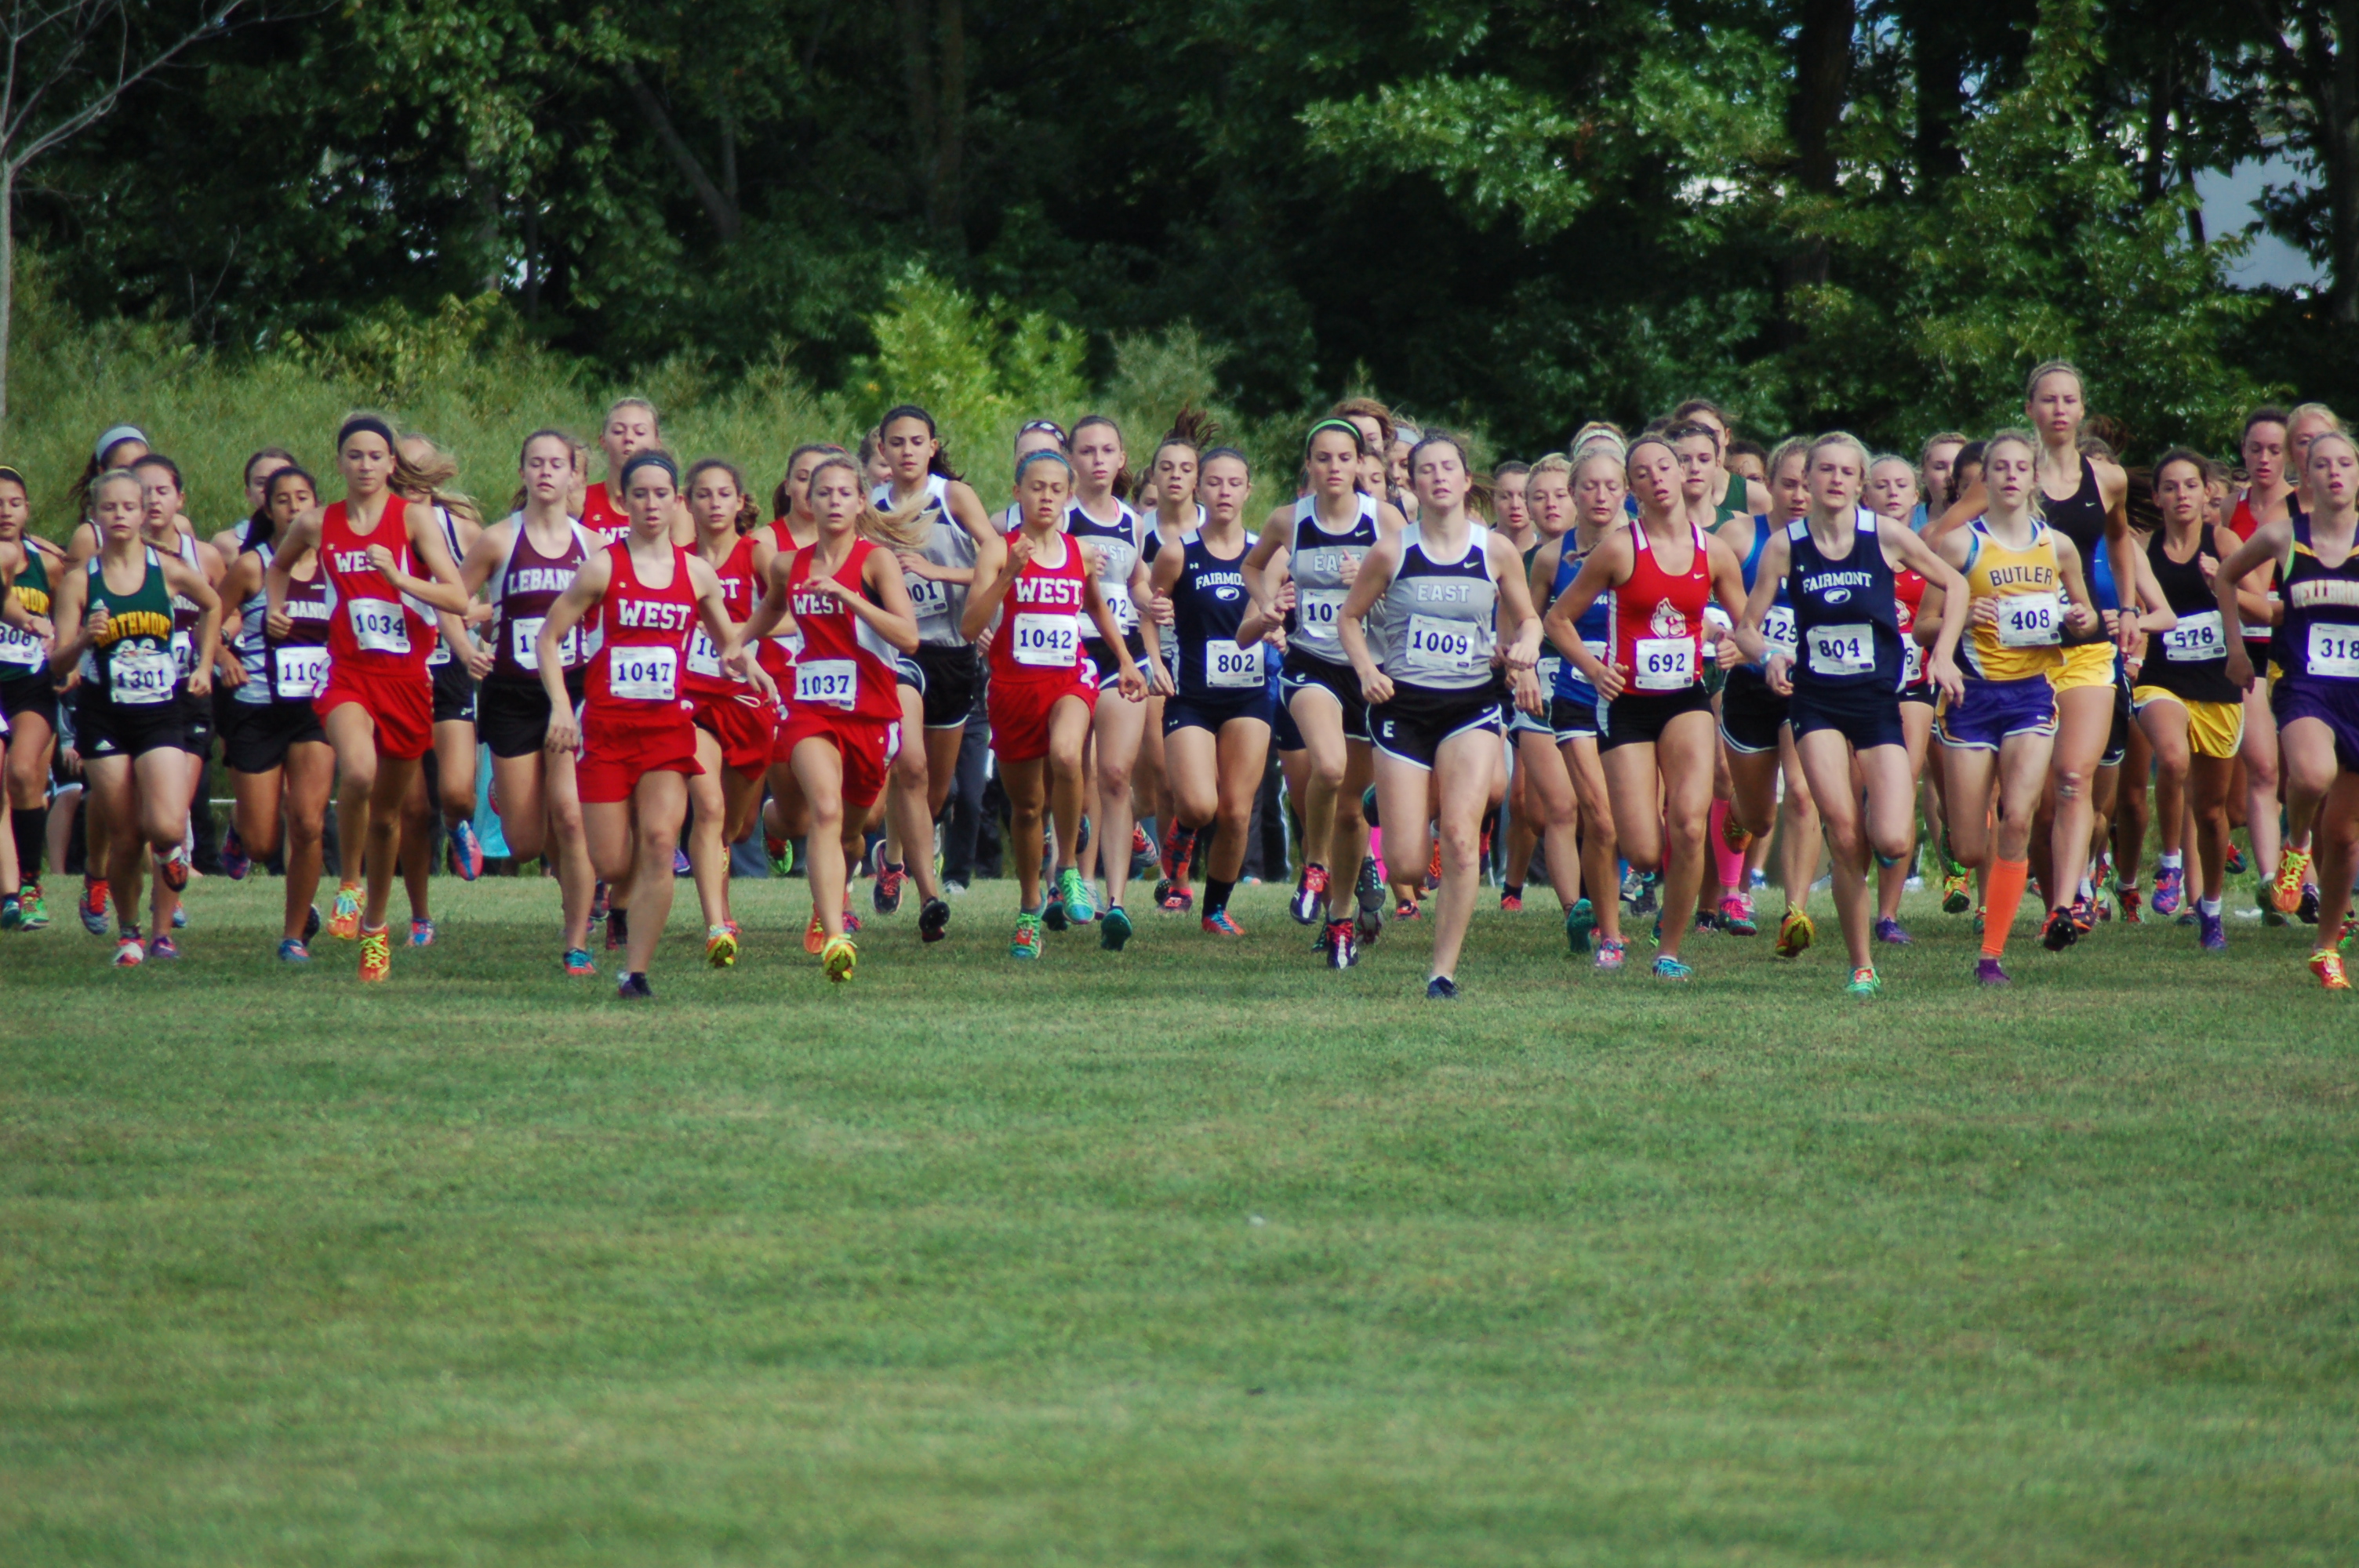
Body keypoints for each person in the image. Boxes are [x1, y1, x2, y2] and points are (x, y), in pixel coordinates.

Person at [1735, 433, 1968, 996]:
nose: (1836, 480)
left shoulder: (1885, 535)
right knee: (1841, 830)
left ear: (1858, 483)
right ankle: (1861, 963)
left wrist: (1941, 656)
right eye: (1825, 471)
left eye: (1847, 472)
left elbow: (1956, 584)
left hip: (1876, 703)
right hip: (1815, 703)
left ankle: (1868, 878)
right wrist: (1768, 656)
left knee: (1889, 839)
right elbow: (1746, 626)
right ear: (1808, 480)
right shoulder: (1785, 547)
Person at [535, 452, 757, 997]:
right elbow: (548, 637)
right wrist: (563, 707)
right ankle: (617, 902)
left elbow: (728, 642)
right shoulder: (603, 567)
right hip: (607, 730)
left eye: (662, 494)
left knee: (660, 843)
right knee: (614, 862)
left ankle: (636, 973)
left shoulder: (696, 573)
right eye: (641, 494)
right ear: (627, 501)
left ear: (676, 501)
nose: (652, 504)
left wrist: (750, 666)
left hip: (665, 729)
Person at [264, 415, 472, 982]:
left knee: (388, 819)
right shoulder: (316, 522)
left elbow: (455, 594)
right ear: (339, 462)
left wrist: (403, 580)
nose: (364, 465)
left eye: (375, 456)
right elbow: (277, 567)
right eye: (353, 456)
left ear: (390, 464)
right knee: (356, 771)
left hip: (406, 681)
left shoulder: (414, 521)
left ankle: (377, 929)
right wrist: (277, 609)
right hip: (348, 674)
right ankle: (349, 885)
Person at [1339, 432, 1541, 997]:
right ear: (1411, 481)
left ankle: (1442, 972)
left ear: (1464, 476)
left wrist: (1525, 648)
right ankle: (1394, 805)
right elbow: (1350, 619)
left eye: (1448, 467)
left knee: (1457, 836)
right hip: (1403, 707)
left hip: (1471, 706)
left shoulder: (1494, 549)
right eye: (1426, 470)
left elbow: (1529, 619)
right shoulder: (1393, 551)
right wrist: (1366, 671)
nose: (1438, 478)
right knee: (1406, 865)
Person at [1545, 432, 1747, 980]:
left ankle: (1670, 951)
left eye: (1667, 466)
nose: (1658, 477)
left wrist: (1734, 646)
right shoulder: (1617, 549)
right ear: (1633, 489)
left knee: (1688, 822)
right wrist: (1594, 670)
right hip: (1627, 706)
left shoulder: (1715, 552)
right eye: (1644, 472)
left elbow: (1746, 627)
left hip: (1685, 699)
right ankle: (1616, 926)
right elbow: (1557, 620)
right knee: (1643, 849)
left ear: (1684, 476)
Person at [1921, 429, 2101, 984]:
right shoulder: (1958, 545)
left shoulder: (2057, 545)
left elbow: (2087, 615)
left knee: (2018, 820)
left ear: (2034, 478)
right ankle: (1963, 861)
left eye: (2020, 468)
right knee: (1972, 845)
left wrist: (2079, 620)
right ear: (1983, 478)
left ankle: (1991, 955)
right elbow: (1925, 624)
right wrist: (1964, 617)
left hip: (2031, 695)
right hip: (1971, 697)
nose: (2009, 477)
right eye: (1998, 468)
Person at [740, 453, 919, 982]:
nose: (835, 501)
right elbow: (773, 607)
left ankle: (787, 835)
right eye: (825, 493)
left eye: (845, 493)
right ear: (808, 501)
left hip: (871, 714)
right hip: (810, 708)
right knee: (823, 810)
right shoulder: (788, 565)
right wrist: (738, 641)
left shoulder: (874, 562)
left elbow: (908, 637)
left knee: (854, 828)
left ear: (861, 501)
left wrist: (848, 596)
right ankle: (834, 929)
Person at [962, 448, 1146, 959]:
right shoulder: (998, 551)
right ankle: (1027, 909)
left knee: (1068, 756)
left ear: (1068, 496)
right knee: (1026, 809)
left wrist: (1127, 660)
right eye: (1036, 487)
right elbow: (970, 627)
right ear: (1017, 493)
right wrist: (1006, 576)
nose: (1045, 496)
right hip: (1013, 690)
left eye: (1055, 489)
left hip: (1070, 679)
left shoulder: (1078, 552)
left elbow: (1095, 607)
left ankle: (1068, 868)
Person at [41, 470, 221, 965]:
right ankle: (133, 934)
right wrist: (82, 640)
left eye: (128, 507)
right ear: (95, 517)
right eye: (109, 508)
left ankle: (170, 864)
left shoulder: (168, 570)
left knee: (165, 826)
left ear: (144, 513)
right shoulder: (81, 580)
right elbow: (56, 663)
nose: (119, 516)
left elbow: (212, 603)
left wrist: (205, 665)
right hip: (104, 719)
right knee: (124, 835)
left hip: (161, 714)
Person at [1241, 418, 1398, 964]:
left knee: (1352, 810)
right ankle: (1314, 863)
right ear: (1308, 466)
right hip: (1311, 663)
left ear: (1360, 465)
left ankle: (1338, 923)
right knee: (1327, 768)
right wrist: (1266, 605)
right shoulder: (1290, 520)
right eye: (1323, 458)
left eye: (1344, 458)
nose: (1334, 468)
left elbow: (1407, 589)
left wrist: (1373, 579)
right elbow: (1252, 564)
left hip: (1370, 672)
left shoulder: (1384, 519)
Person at [2218, 430, 2359, 987]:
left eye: (2345, 463)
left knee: (2347, 836)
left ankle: (2326, 949)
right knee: (2312, 772)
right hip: (2304, 685)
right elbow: (2227, 577)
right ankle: (2297, 843)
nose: (2334, 473)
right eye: (2322, 464)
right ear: (2306, 476)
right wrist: (2235, 651)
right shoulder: (2284, 536)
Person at [462, 430, 601, 975]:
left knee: (570, 814)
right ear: (522, 472)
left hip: (572, 692)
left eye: (557, 464)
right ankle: (514, 791)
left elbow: (612, 618)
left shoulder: (592, 547)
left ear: (573, 476)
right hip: (512, 694)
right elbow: (453, 598)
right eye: (535, 463)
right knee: (522, 844)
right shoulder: (499, 540)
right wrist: (467, 645)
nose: (546, 472)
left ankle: (576, 940)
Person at [870, 405, 1004, 940]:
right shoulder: (870, 509)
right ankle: (921, 888)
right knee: (912, 768)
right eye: (896, 442)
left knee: (934, 794)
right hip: (901, 653)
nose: (906, 451)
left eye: (916, 441)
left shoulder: (953, 498)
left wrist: (934, 570)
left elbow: (996, 563)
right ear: (881, 449)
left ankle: (894, 853)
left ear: (932, 446)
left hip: (954, 651)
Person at [217, 466, 336, 959]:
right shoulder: (253, 565)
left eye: (302, 497)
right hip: (258, 706)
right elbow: (217, 616)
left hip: (316, 707)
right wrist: (224, 655)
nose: (293, 507)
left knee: (308, 823)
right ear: (266, 508)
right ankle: (242, 833)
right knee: (264, 842)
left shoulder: (335, 564)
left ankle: (293, 934)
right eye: (282, 500)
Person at [1153, 441, 1270, 940]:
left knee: (1236, 811)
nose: (1224, 491)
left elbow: (1283, 611)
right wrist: (1155, 658)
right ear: (1200, 488)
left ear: (1248, 491)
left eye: (1235, 483)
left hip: (1249, 695)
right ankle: (1180, 833)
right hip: (1192, 696)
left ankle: (1215, 908)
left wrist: (1279, 622)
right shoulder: (1179, 551)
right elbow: (1149, 606)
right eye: (1215, 482)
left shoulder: (1266, 553)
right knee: (1199, 806)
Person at [1711, 435, 1823, 951]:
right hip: (1749, 688)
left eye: (1808, 484)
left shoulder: (1837, 542)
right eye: (1789, 484)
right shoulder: (1740, 536)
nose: (1800, 495)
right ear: (1769, 487)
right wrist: (1720, 636)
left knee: (1802, 791)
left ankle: (1794, 913)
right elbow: (1696, 588)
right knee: (1759, 815)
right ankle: (1737, 817)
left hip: (1807, 689)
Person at [2132, 449, 2242, 950]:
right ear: (2156, 496)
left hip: (2217, 687)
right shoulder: (2144, 548)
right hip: (2161, 680)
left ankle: (2212, 909)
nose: (2181, 495)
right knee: (2172, 759)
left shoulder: (2226, 542)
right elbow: (2131, 608)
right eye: (2171, 487)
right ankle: (2171, 862)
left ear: (2207, 494)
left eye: (2190, 486)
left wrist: (2223, 582)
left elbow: (2260, 606)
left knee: (2215, 812)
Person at [1525, 441, 1630, 967]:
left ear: (1627, 492)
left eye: (1612, 486)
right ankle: (1605, 931)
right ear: (1572, 494)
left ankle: (1639, 902)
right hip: (1574, 695)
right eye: (1589, 486)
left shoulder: (1645, 547)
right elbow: (1527, 618)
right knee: (1598, 817)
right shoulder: (1550, 556)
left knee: (1638, 827)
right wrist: (1520, 664)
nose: (1601, 496)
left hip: (1637, 700)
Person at [679, 458, 778, 966]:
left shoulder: (756, 556)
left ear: (740, 502)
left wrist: (744, 638)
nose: (714, 503)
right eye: (703, 494)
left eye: (724, 494)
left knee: (737, 826)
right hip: (691, 699)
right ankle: (717, 921)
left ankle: (761, 827)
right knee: (710, 809)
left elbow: (792, 616)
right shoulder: (674, 560)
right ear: (688, 502)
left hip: (746, 700)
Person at [393, 436, 489, 946]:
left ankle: (458, 827)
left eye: (419, 474)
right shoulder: (374, 527)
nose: (410, 484)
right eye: (402, 474)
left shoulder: (464, 529)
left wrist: (473, 621)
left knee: (455, 791)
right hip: (392, 669)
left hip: (449, 667)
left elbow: (495, 596)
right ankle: (420, 916)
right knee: (411, 809)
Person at [1067, 416, 1162, 918]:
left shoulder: (1132, 521)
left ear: (1122, 460)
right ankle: (1074, 879)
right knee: (1074, 773)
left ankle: (1117, 901)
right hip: (1070, 650)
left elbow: (1136, 581)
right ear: (1071, 459)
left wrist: (1154, 603)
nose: (1098, 460)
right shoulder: (1058, 517)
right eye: (1087, 451)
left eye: (1107, 451)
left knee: (1116, 772)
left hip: (1122, 654)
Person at [128, 454, 221, 949]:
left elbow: (220, 610)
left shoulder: (202, 557)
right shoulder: (110, 560)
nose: (151, 500)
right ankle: (116, 901)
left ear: (180, 498)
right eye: (141, 492)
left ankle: (162, 929)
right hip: (127, 702)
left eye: (161, 490)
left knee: (172, 813)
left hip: (186, 697)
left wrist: (209, 661)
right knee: (133, 820)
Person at [0, 466, 63, 929]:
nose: (5, 512)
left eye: (14, 503)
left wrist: (65, 647)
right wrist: (27, 620)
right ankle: (10, 893)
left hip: (31, 685)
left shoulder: (49, 563)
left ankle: (30, 883)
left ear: (28, 508)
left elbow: (72, 611)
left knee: (23, 773)